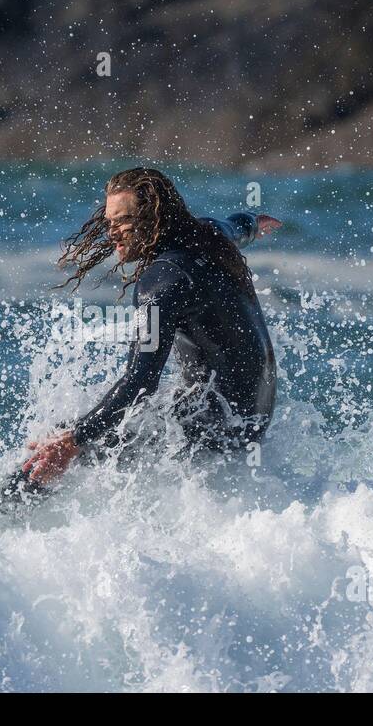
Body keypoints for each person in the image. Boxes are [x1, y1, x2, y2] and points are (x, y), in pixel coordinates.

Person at [16, 167, 280, 491]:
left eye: (124, 222)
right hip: (253, 419)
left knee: (62, 442)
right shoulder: (211, 234)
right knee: (99, 427)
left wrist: (75, 440)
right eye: (109, 222)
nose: (112, 233)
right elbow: (238, 224)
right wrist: (256, 223)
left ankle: (5, 512)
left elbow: (140, 383)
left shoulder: (162, 283)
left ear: (156, 219)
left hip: (215, 427)